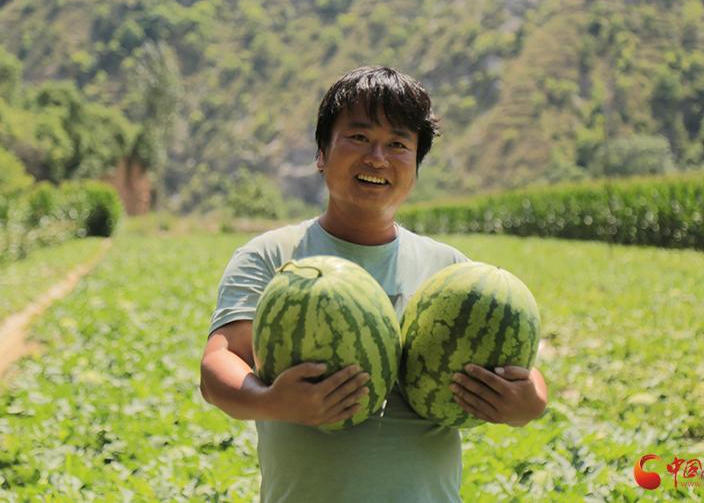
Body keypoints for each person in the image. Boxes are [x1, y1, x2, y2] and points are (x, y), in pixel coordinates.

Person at [199, 66, 548, 502]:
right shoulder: (272, 256)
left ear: (415, 165)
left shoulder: (449, 269)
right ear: (322, 153)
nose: (377, 158)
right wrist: (272, 402)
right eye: (359, 138)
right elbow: (219, 365)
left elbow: (526, 376)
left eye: (398, 144)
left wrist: (526, 404)